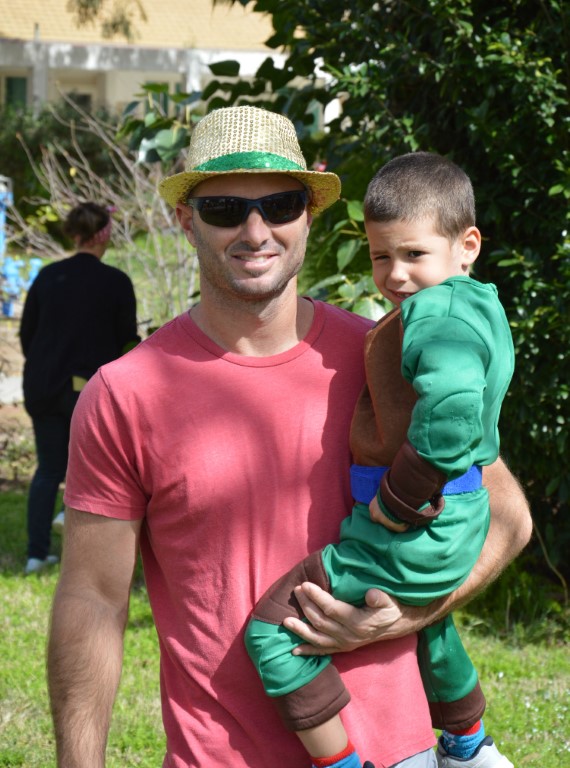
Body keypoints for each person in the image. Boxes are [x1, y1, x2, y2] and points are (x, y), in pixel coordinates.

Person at [47, 106, 531, 768]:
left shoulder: (385, 355)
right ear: (186, 219)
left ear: (309, 215)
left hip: (401, 752)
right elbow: (93, 602)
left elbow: (505, 512)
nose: (255, 231)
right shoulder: (125, 394)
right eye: (224, 209)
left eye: (279, 205)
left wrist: (408, 615)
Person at [245, 151, 516, 768]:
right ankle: (468, 744)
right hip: (456, 519)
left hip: (417, 522)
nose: (395, 275)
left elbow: (451, 410)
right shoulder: (476, 304)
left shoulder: (436, 312)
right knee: (431, 625)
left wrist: (399, 497)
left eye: (414, 254)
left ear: (467, 246)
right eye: (380, 256)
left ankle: (341, 762)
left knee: (273, 632)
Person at [19, 202, 139, 574]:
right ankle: (69, 524)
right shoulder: (116, 281)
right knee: (89, 469)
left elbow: (27, 334)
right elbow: (127, 341)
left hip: (42, 385)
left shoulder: (47, 276)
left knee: (48, 469)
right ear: (104, 233)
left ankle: (36, 555)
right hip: (88, 390)